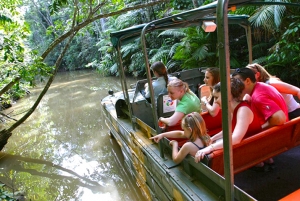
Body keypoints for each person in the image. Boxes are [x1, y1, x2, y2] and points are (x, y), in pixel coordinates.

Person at [194, 78, 262, 163]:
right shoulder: (232, 109)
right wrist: (212, 138)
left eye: (216, 97)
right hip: (245, 146)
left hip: (250, 149)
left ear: (228, 95)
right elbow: (229, 130)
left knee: (208, 152)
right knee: (211, 144)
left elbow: (236, 138)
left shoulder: (243, 110)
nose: (215, 102)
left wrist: (210, 148)